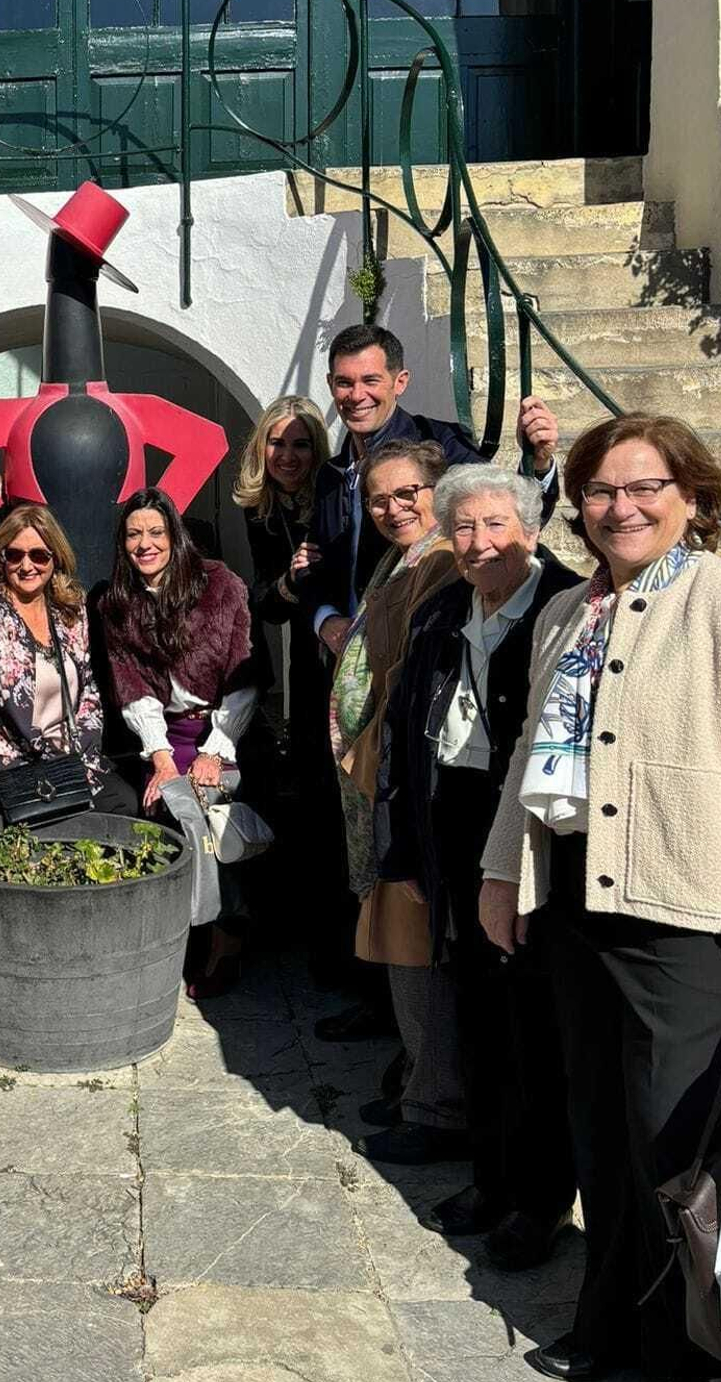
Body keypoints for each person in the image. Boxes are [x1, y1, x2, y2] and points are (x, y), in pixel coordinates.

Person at [480, 412, 721, 1382]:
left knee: (676, 1156)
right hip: (577, 899)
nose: (619, 507)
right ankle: (611, 1327)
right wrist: (503, 871)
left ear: (690, 495)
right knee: (597, 1131)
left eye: (644, 488)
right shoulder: (565, 612)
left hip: (682, 908)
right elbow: (528, 759)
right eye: (597, 490)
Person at [373, 464, 576, 1268]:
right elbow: (404, 727)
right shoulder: (444, 609)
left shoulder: (563, 608)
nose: (480, 542)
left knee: (535, 1024)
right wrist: (407, 845)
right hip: (454, 823)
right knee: (480, 1015)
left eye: (496, 524)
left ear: (530, 528)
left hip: (528, 834)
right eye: (463, 526)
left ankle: (539, 1198)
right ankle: (493, 1176)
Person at [326, 441, 464, 1163]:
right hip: (377, 775)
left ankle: (437, 1106)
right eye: (380, 497)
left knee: (415, 945)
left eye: (408, 492)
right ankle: (421, 1081)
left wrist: (366, 749)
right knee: (398, 942)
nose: (394, 507)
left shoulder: (440, 563)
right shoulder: (398, 559)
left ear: (436, 491)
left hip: (403, 780)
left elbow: (414, 681)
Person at [303, 322, 560, 658]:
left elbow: (508, 509)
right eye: (344, 383)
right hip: (347, 666)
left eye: (370, 380)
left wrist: (538, 464)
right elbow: (312, 559)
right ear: (330, 385)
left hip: (421, 648)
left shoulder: (440, 445)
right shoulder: (329, 475)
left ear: (400, 382)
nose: (356, 395)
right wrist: (326, 621)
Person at [101, 489, 260, 997]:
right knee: (178, 808)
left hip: (223, 730)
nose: (144, 545)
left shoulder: (221, 586)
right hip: (163, 738)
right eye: (133, 535)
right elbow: (133, 689)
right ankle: (208, 927)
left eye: (155, 533)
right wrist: (163, 760)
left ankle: (222, 933)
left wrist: (215, 750)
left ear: (173, 537)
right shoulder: (118, 603)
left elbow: (246, 679)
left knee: (204, 814)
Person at [233, 396, 350, 983]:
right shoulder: (262, 512)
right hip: (308, 657)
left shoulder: (338, 491)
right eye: (277, 443)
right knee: (313, 786)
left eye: (300, 443)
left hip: (351, 644)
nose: (288, 454)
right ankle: (324, 937)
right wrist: (287, 578)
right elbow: (266, 603)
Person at [0, 506, 129, 825]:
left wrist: (80, 757)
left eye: (39, 555)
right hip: (12, 769)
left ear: (56, 558)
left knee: (124, 806)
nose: (27, 566)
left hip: (71, 762)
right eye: (15, 555)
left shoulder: (70, 612)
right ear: (1, 559)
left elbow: (90, 694)